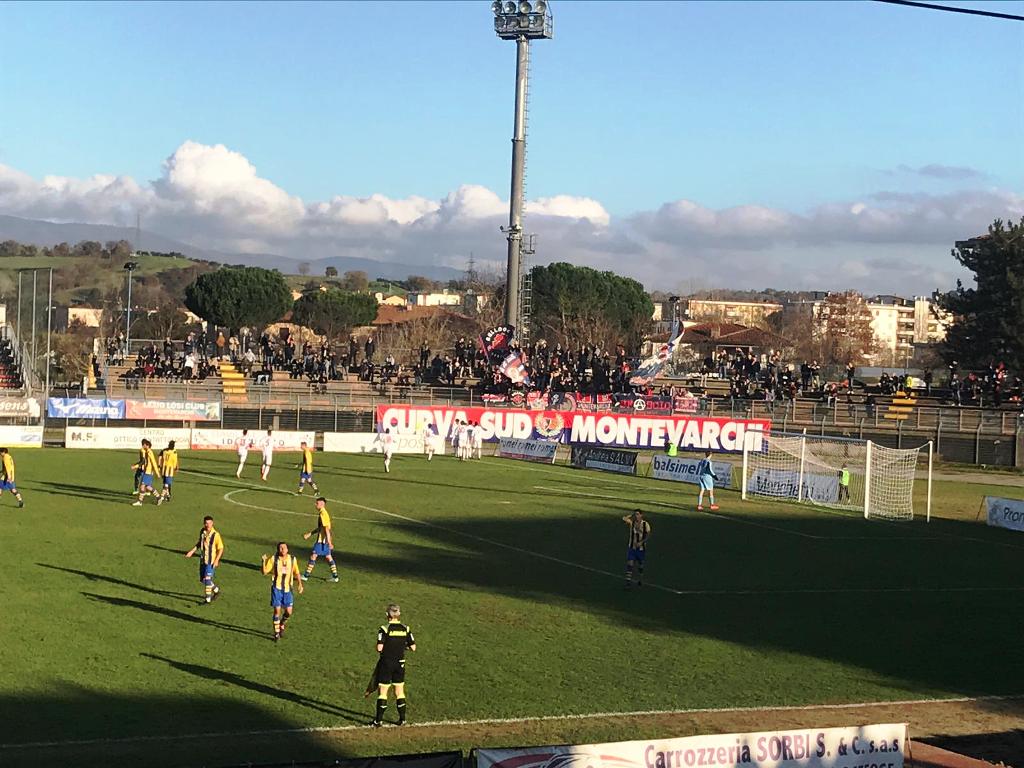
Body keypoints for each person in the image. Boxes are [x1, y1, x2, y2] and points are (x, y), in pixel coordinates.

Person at [371, 604, 417, 727]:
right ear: (399, 614)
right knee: (399, 691)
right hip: (400, 663)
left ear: (387, 615)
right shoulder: (406, 628)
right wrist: (402, 647)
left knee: (383, 691)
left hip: (386, 663)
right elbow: (413, 647)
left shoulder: (384, 629)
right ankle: (402, 719)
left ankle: (378, 721)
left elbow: (379, 648)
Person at [261, 541, 303, 641]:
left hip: (288, 589)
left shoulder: (292, 559)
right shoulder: (274, 559)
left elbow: (297, 572)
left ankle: (282, 624)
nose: (282, 549)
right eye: (280, 548)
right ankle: (276, 634)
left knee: (289, 612)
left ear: (287, 549)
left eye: (284, 548)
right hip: (277, 589)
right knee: (277, 610)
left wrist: (300, 584)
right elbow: (264, 572)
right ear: (278, 549)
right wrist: (263, 561)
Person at [184, 515, 223, 604]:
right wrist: (192, 551)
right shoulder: (202, 532)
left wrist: (217, 560)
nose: (207, 525)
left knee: (207, 579)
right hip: (203, 560)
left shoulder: (216, 535)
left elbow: (221, 548)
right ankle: (216, 590)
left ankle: (208, 599)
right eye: (206, 523)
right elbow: (199, 543)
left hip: (211, 561)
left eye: (209, 523)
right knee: (203, 580)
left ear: (212, 523)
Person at [302, 497, 339, 583]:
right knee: (328, 557)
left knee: (313, 556)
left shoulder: (323, 514)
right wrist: (310, 534)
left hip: (322, 541)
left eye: (317, 503)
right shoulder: (323, 513)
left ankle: (306, 576)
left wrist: (329, 542)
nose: (315, 505)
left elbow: (326, 529)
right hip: (325, 540)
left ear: (322, 504)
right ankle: (335, 577)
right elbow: (321, 528)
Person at [622, 509, 651, 589]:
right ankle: (628, 582)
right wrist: (630, 515)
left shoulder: (645, 524)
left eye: (638, 514)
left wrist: (641, 542)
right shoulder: (632, 523)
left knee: (640, 565)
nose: (636, 516)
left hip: (641, 549)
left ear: (641, 515)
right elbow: (624, 518)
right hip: (632, 548)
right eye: (635, 514)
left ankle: (640, 579)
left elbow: (648, 535)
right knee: (630, 564)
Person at [131, 439, 159, 506]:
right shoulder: (146, 451)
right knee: (147, 487)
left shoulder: (149, 452)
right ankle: (159, 497)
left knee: (142, 486)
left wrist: (157, 473)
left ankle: (140, 501)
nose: (143, 446)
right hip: (146, 471)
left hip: (148, 472)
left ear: (147, 445)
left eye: (144, 445)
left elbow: (153, 462)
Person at [157, 440, 179, 506]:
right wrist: (176, 467)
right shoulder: (173, 451)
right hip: (169, 470)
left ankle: (166, 496)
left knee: (166, 483)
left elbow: (159, 457)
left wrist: (159, 465)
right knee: (166, 483)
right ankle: (164, 496)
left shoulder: (164, 450)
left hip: (165, 469)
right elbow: (175, 460)